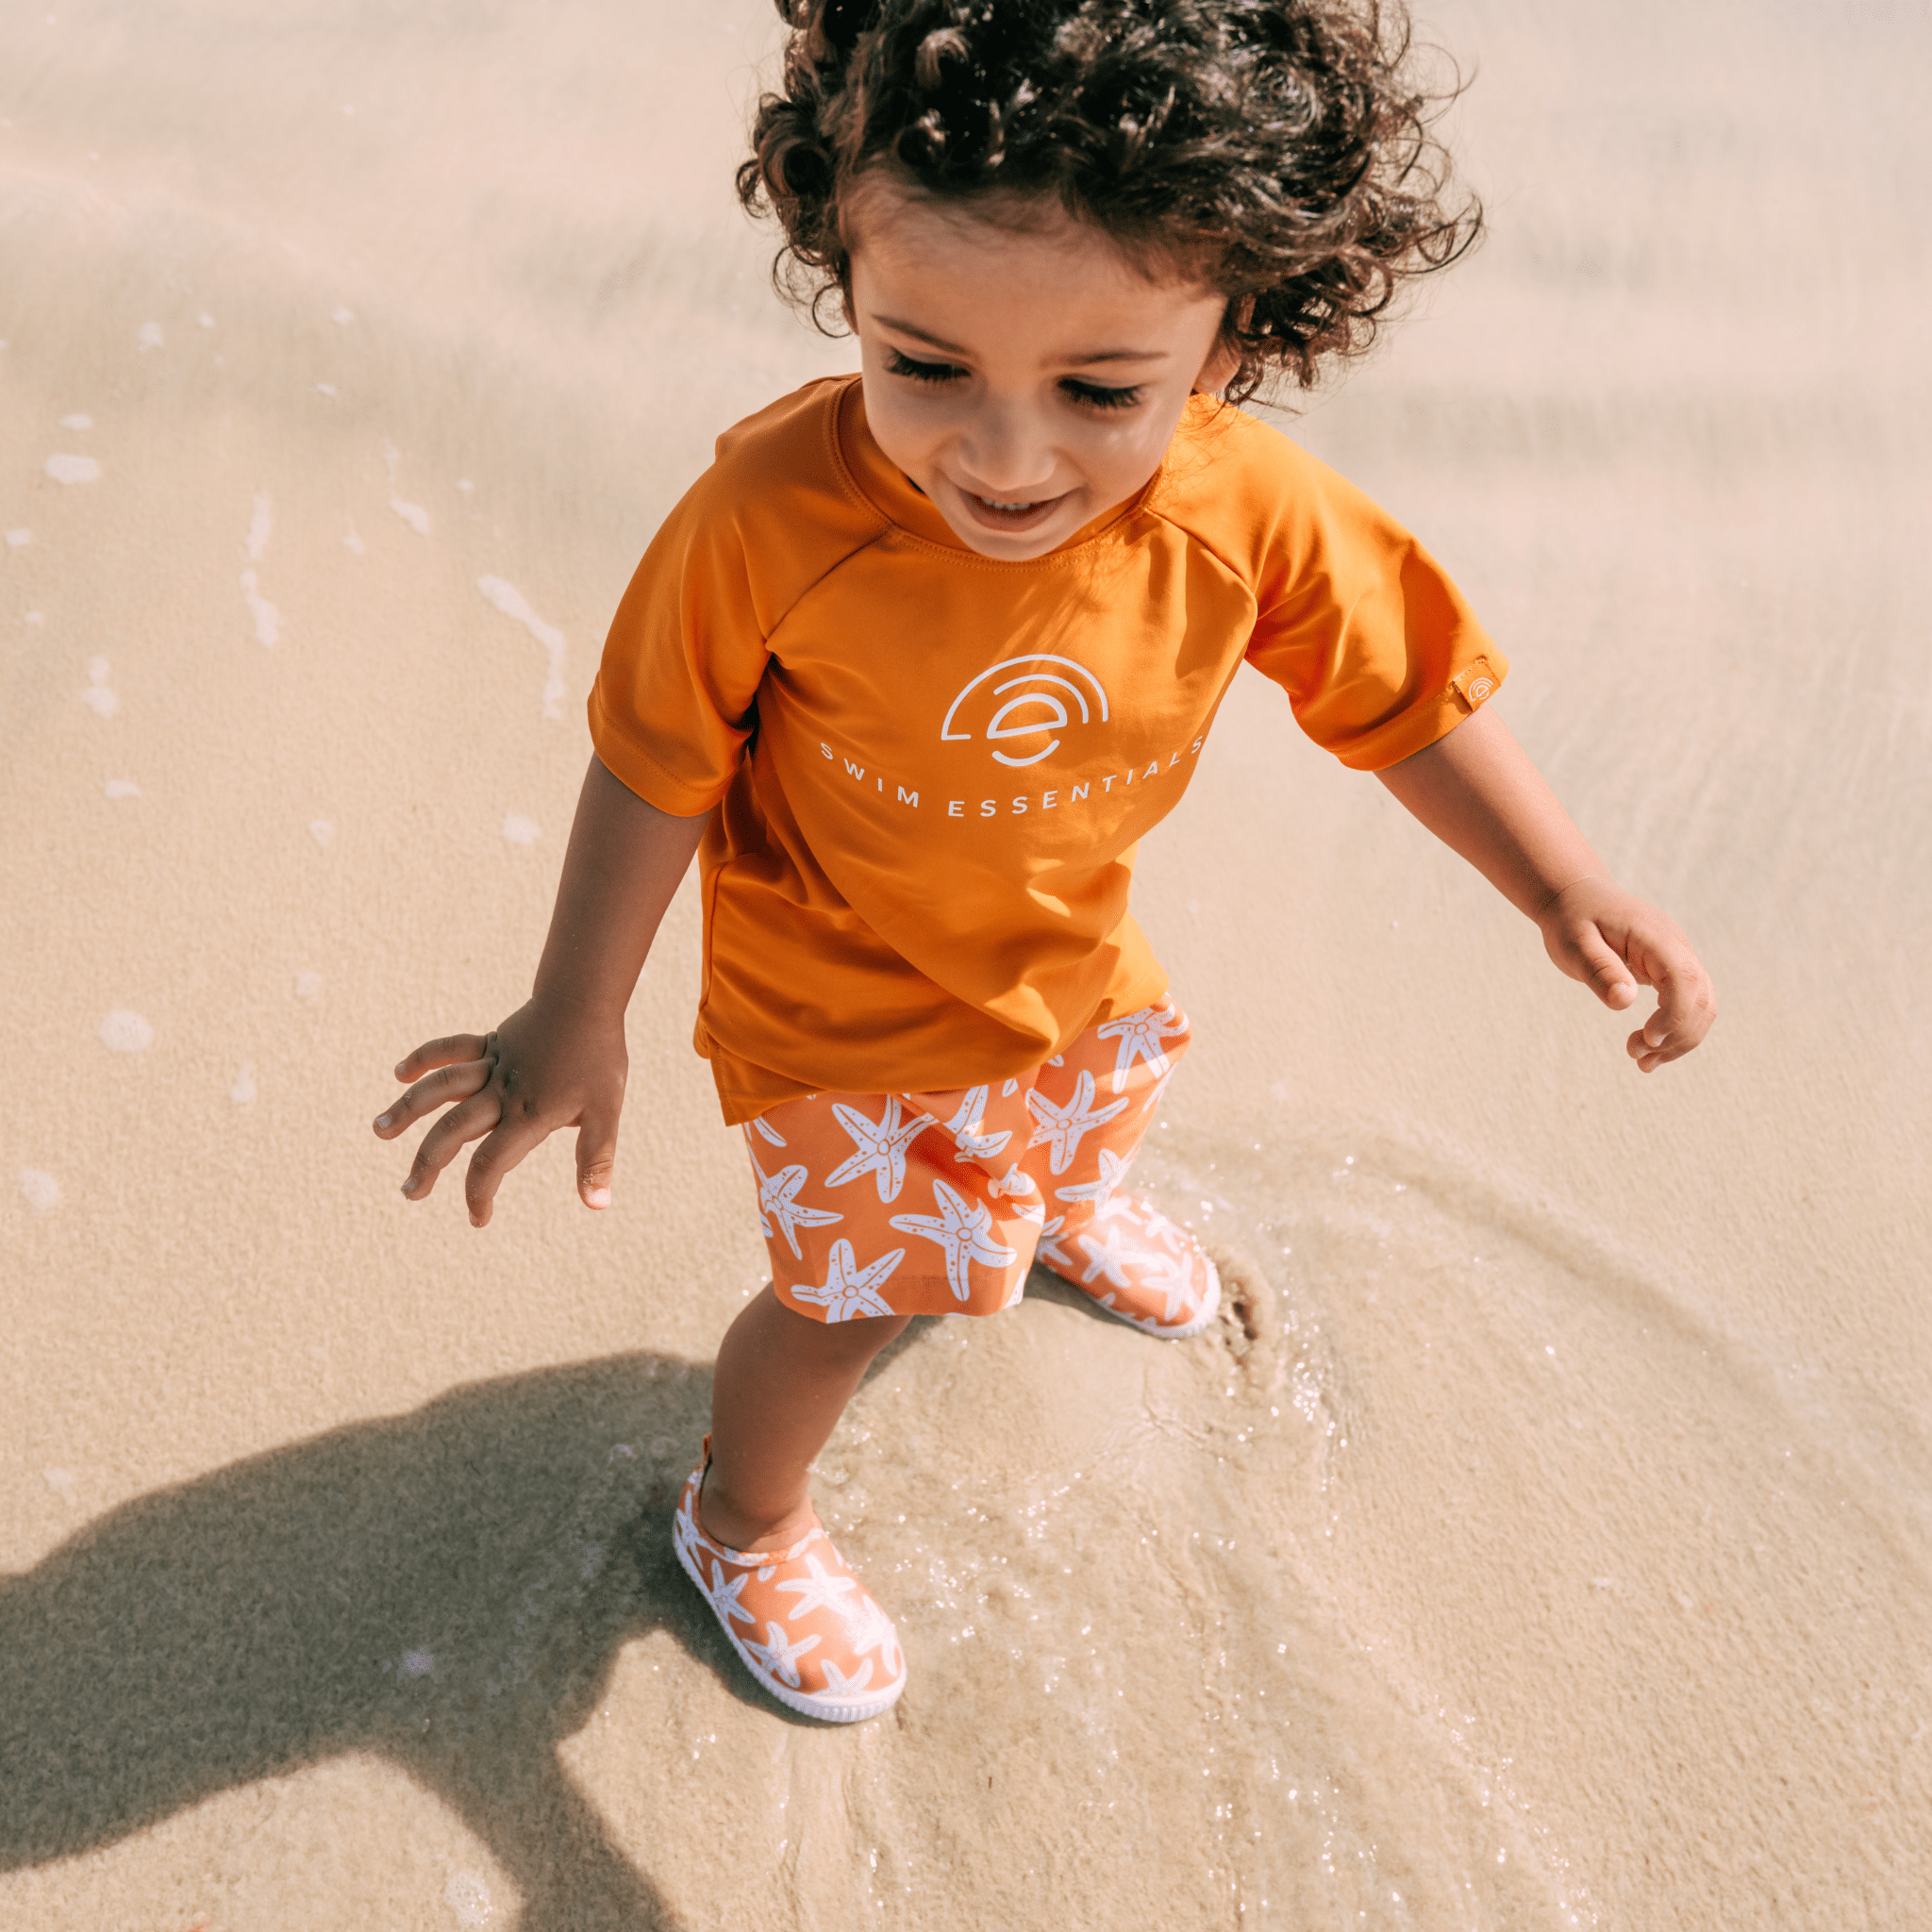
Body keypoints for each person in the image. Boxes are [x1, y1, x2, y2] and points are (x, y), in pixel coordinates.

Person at [373, 0, 1715, 1724]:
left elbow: (1399, 693)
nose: (1005, 459)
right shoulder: (770, 520)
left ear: (1231, 341)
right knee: (848, 1307)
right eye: (922, 363)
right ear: (842, 277)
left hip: (1069, 967)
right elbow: (653, 765)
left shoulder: (1253, 506)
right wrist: (578, 1015)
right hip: (840, 1021)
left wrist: (1560, 882)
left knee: (1098, 1110)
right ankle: (743, 1517)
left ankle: (1060, 1204)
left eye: (1101, 390)